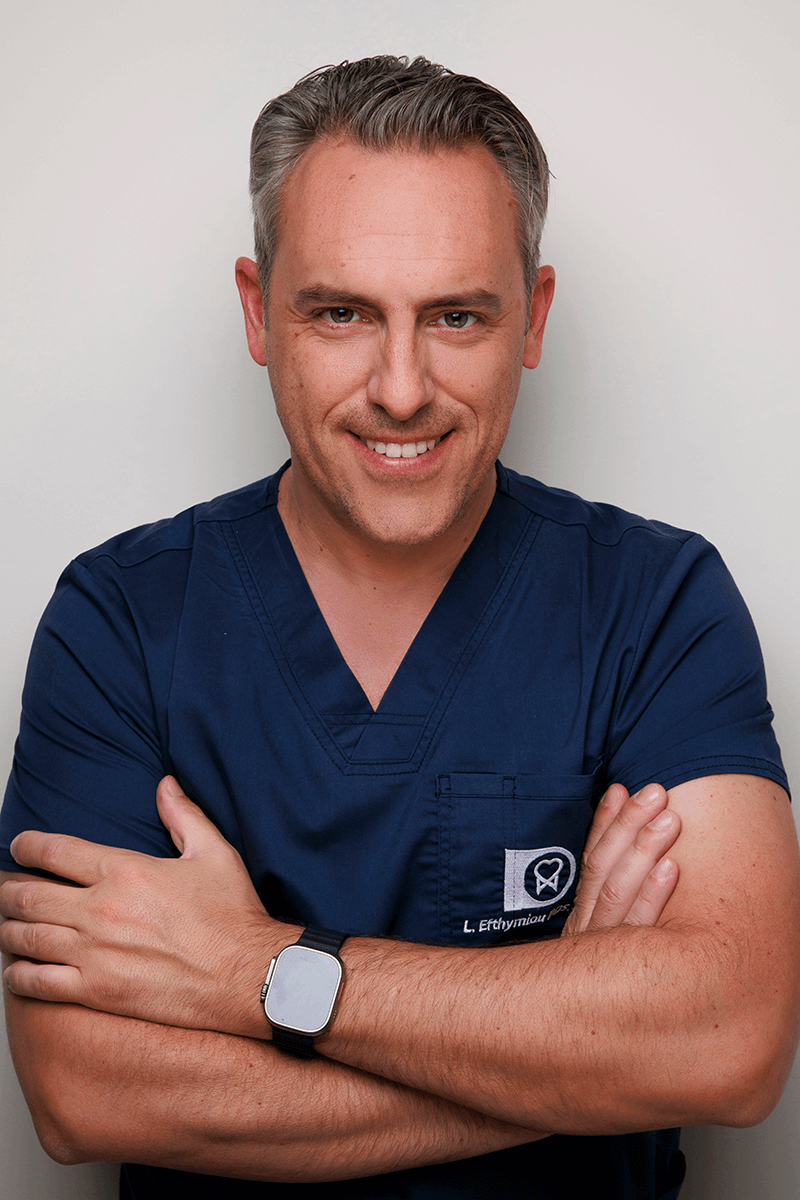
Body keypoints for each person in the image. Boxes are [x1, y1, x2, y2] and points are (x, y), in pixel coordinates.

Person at [0, 55, 798, 1200]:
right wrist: (568, 1050)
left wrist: (249, 971)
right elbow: (85, 1094)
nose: (401, 387)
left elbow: (726, 1045)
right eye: (339, 312)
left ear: (532, 317)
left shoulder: (654, 604)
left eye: (457, 315)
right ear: (255, 312)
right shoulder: (122, 623)